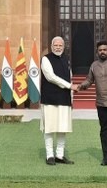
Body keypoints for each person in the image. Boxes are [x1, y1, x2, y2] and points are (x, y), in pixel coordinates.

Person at [40, 36, 78, 165]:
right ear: (51, 46)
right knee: (49, 128)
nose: (58, 47)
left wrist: (71, 98)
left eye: (60, 45)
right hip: (50, 98)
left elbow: (70, 78)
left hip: (65, 99)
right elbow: (50, 77)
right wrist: (69, 86)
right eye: (55, 45)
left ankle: (60, 156)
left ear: (64, 46)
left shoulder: (66, 59)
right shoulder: (46, 59)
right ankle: (50, 155)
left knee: (63, 128)